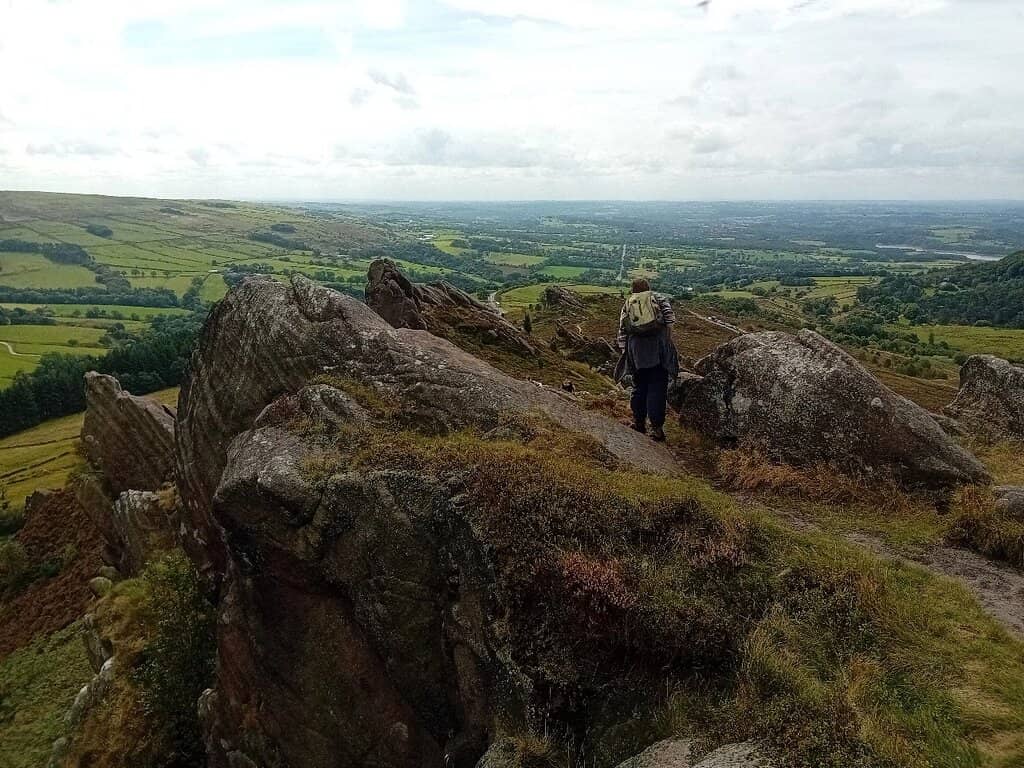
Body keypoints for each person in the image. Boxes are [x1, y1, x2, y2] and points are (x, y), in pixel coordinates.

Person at [616, 278, 678, 442]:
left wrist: (626, 352)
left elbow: (622, 331)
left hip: (637, 352)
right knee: (657, 388)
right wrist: (667, 339)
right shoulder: (658, 298)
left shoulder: (628, 303)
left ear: (633, 289)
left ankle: (639, 423)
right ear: (648, 287)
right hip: (658, 350)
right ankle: (657, 429)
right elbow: (670, 320)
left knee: (639, 387)